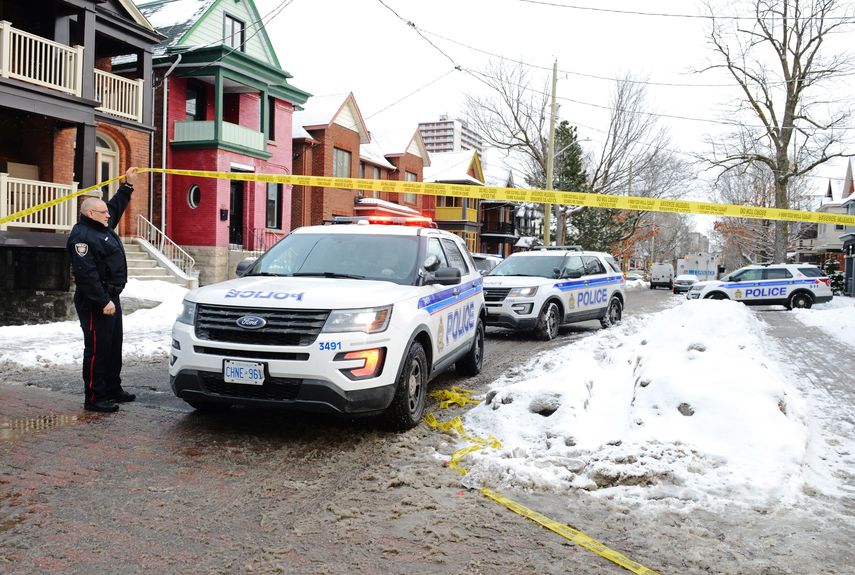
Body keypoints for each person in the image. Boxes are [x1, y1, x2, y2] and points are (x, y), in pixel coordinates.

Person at [67, 167, 139, 412]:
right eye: (103, 212)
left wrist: (128, 186)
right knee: (97, 348)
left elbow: (115, 207)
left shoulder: (101, 228)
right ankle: (95, 397)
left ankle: (112, 388)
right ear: (90, 213)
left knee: (113, 344)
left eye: (108, 212)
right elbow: (86, 275)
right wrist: (103, 301)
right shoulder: (82, 236)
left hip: (111, 298)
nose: (109, 214)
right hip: (95, 301)